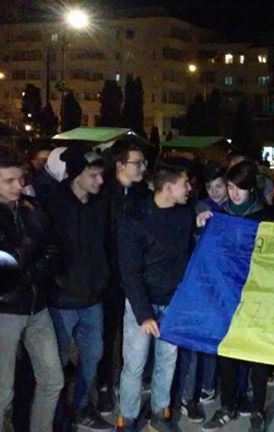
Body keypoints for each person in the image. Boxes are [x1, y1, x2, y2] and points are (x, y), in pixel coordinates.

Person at [0, 146, 64, 432]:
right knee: (1, 391)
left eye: (21, 178)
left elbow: (53, 251)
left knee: (53, 380)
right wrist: (32, 241)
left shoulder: (30, 206)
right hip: (1, 310)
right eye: (9, 181)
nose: (18, 185)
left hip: (37, 306)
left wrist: (31, 272)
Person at [116, 163, 196, 432]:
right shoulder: (135, 219)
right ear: (169, 188)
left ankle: (160, 413)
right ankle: (127, 417)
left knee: (167, 361)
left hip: (173, 302)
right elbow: (129, 271)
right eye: (185, 183)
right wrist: (144, 314)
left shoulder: (184, 213)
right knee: (134, 364)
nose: (189, 188)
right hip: (143, 303)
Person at [202, 160, 273, 432]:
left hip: (257, 293)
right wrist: (202, 225)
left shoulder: (266, 217)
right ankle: (227, 405)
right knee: (228, 351)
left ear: (250, 188)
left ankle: (257, 409)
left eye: (238, 188)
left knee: (257, 354)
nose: (233, 193)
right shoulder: (221, 215)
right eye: (230, 187)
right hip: (228, 293)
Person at [45, 146, 112, 430]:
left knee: (93, 354)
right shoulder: (53, 204)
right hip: (61, 299)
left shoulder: (100, 203)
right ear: (76, 175)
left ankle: (82, 407)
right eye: (93, 175)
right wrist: (57, 278)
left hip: (92, 297)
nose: (100, 180)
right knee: (57, 361)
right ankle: (57, 415)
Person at [97, 138, 150, 414]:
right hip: (108, 278)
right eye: (136, 163)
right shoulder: (103, 194)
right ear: (120, 165)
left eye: (143, 162)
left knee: (134, 335)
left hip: (135, 276)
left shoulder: (143, 195)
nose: (142, 167)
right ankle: (104, 386)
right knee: (107, 335)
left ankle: (128, 382)